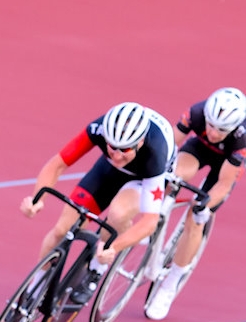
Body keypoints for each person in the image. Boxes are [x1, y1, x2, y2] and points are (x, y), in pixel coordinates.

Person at [20, 101, 177, 304]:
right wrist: (37, 199)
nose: (118, 154)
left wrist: (114, 247)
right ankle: (36, 285)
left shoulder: (156, 153)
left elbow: (149, 222)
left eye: (125, 149)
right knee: (61, 230)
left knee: (118, 214)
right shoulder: (100, 129)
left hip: (144, 178)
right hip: (108, 170)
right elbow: (58, 164)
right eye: (113, 147)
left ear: (138, 144)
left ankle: (96, 269)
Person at [145, 87, 246, 321]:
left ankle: (171, 283)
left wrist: (203, 207)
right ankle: (152, 223)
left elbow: (224, 184)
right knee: (172, 175)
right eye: (211, 125)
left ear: (232, 128)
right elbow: (169, 147)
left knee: (196, 216)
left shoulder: (243, 138)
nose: (214, 132)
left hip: (226, 163)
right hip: (199, 149)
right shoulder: (196, 113)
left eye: (221, 129)